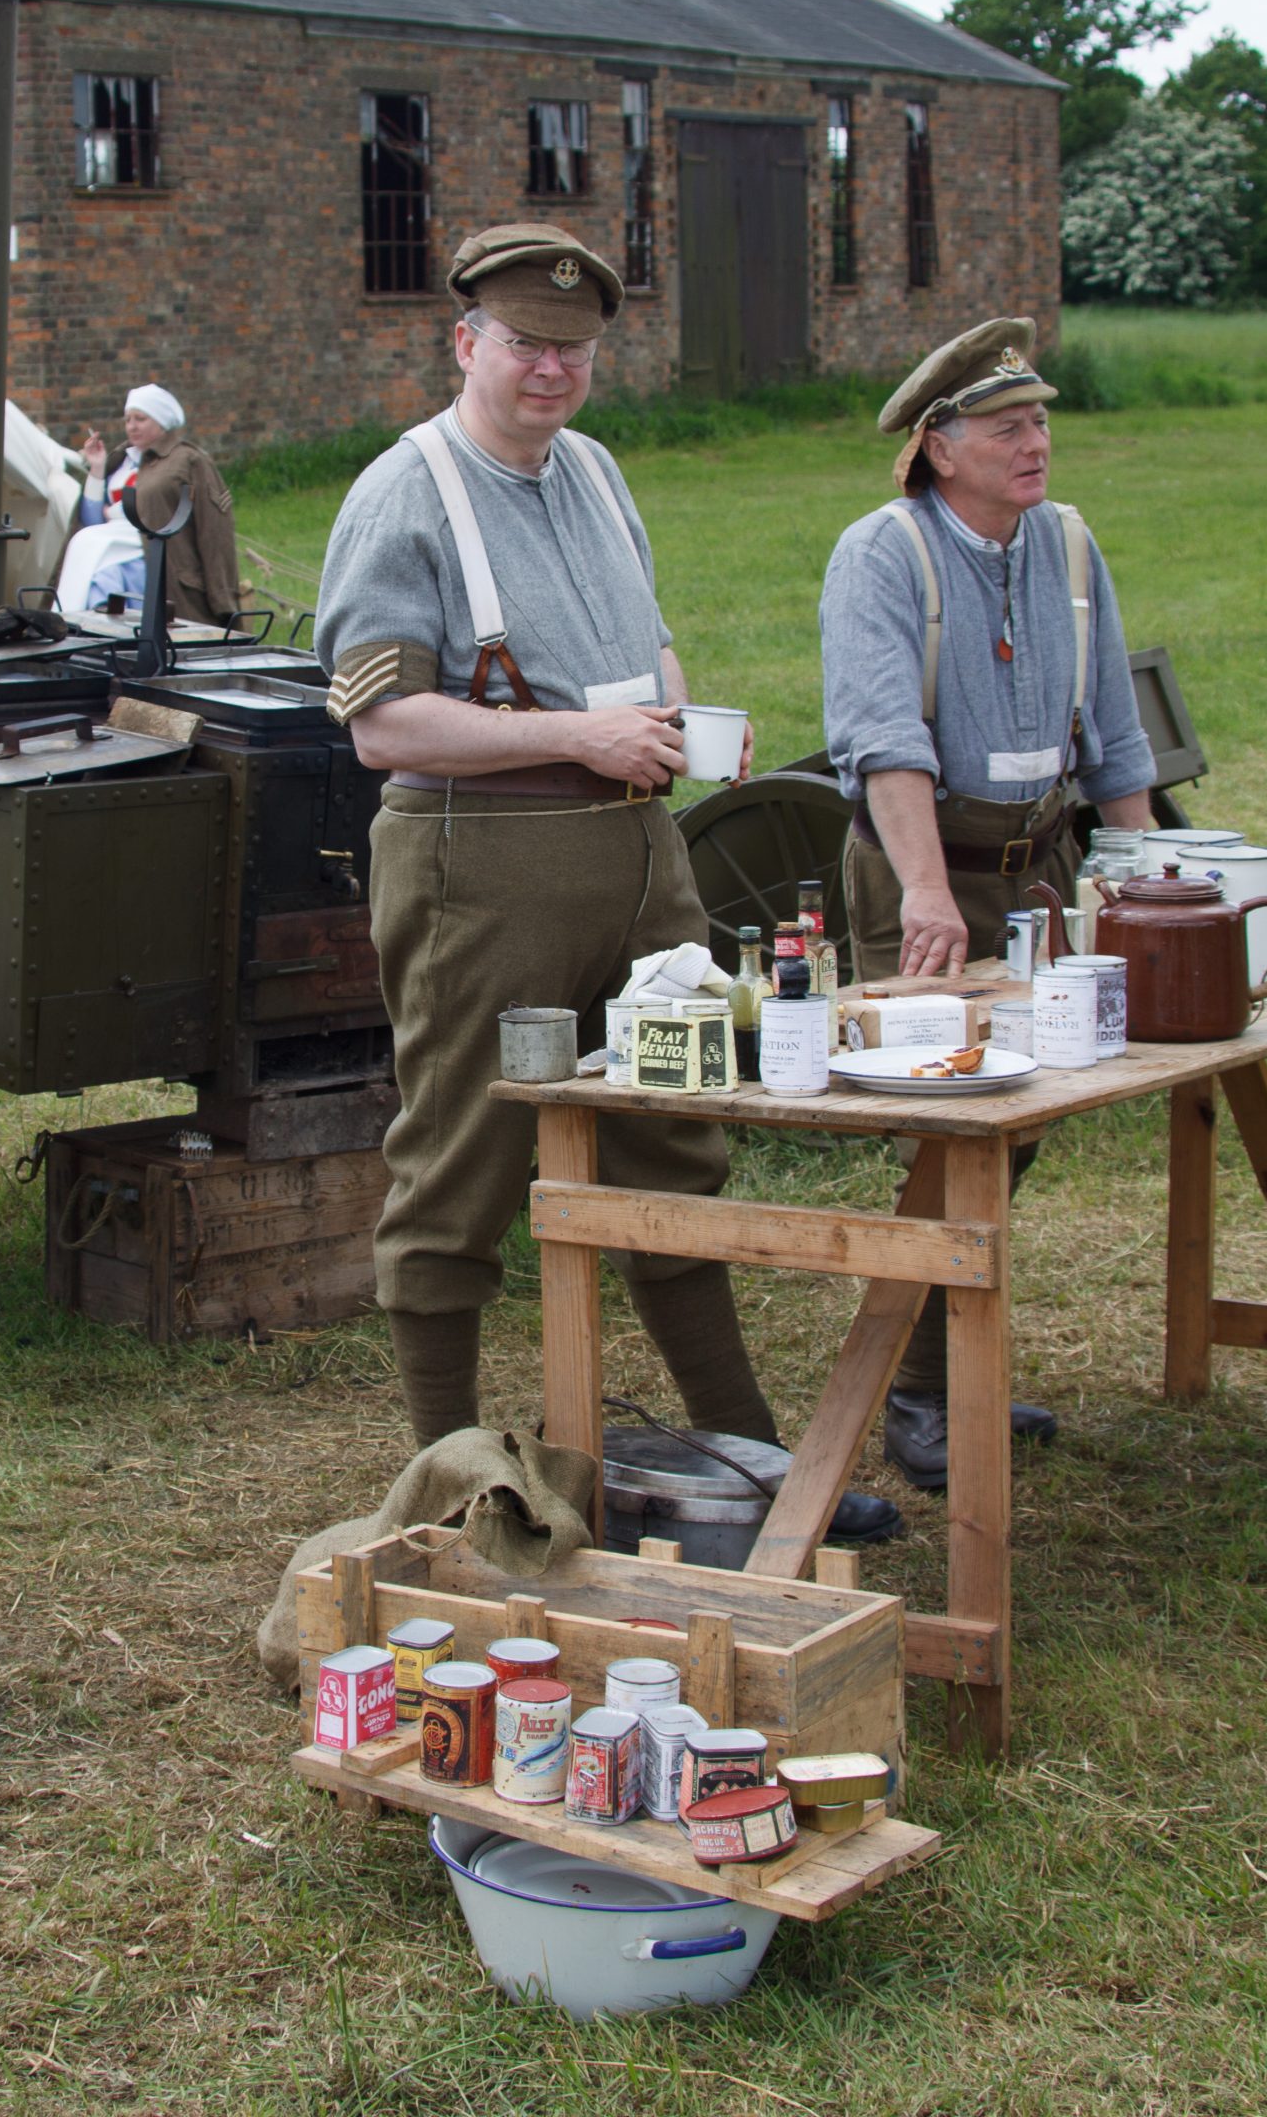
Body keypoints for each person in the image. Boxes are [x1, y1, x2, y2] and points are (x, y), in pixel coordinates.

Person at [315, 221, 894, 1552]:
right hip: (480, 868)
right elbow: (382, 729)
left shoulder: (594, 470)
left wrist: (673, 709)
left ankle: (747, 1469)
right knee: (456, 1162)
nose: (550, 370)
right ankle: (452, 1488)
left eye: (573, 349)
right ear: (464, 342)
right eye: (524, 344)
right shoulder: (402, 495)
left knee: (671, 1142)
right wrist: (571, 735)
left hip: (638, 864)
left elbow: (647, 637)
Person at [821, 316, 1157, 1488]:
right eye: (1008, 425)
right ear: (939, 445)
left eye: (1043, 419)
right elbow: (882, 740)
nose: (1037, 441)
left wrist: (1151, 882)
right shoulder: (884, 553)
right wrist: (924, 891)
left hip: (1040, 868)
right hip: (928, 868)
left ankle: (947, 1367)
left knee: (1022, 1124)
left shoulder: (1066, 545)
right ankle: (914, 1396)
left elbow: (1114, 736)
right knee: (952, 1129)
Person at [81, 383, 241, 627]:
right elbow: (91, 522)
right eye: (128, 419)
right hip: (111, 562)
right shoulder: (120, 462)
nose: (132, 426)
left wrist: (222, 597)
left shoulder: (187, 460)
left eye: (141, 419)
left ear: (161, 420)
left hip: (155, 567)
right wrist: (97, 467)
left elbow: (214, 529)